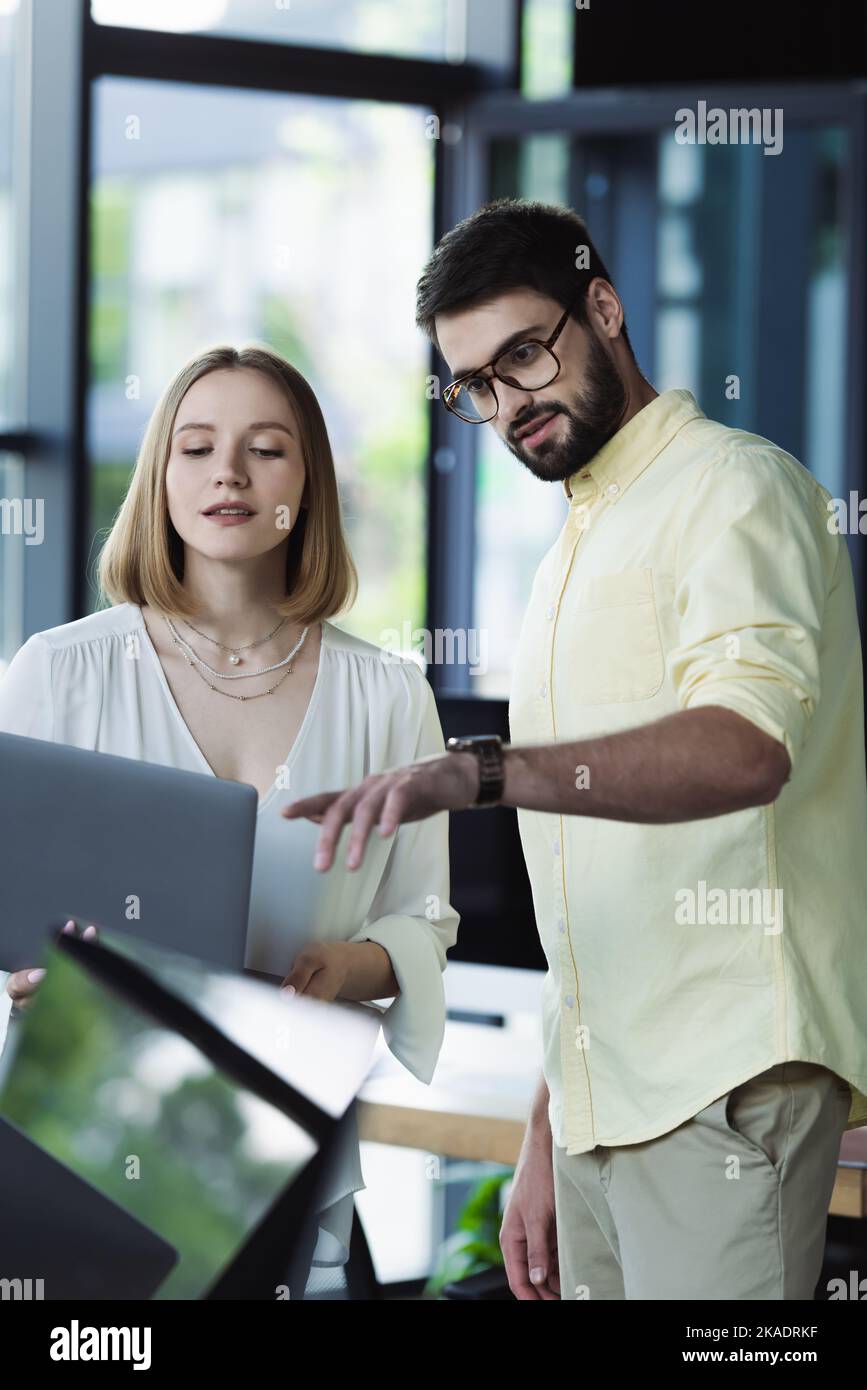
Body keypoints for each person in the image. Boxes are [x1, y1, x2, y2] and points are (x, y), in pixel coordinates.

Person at [283, 199, 867, 1301]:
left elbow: (748, 749)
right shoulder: (573, 547)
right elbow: (588, 884)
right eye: (479, 386)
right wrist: (551, 1132)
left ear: (603, 308)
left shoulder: (734, 488)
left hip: (722, 1080)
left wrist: (484, 770)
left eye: (524, 355)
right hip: (609, 1101)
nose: (512, 405)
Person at [0, 343, 459, 1276]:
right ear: (160, 476)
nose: (229, 475)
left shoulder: (387, 696)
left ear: (309, 481)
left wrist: (345, 964)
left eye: (266, 448)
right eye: (197, 447)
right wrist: (31, 973)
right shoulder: (62, 670)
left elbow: (422, 922)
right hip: (83, 1129)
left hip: (283, 1139)